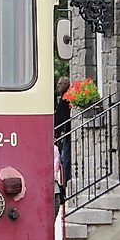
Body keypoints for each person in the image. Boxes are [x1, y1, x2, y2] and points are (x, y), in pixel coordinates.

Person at [54, 76, 71, 214]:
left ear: (65, 84)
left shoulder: (66, 98)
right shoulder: (64, 98)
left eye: (60, 84)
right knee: (64, 159)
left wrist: (62, 130)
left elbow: (63, 116)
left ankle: (65, 183)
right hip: (63, 132)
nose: (58, 86)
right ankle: (65, 182)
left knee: (65, 159)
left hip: (66, 133)